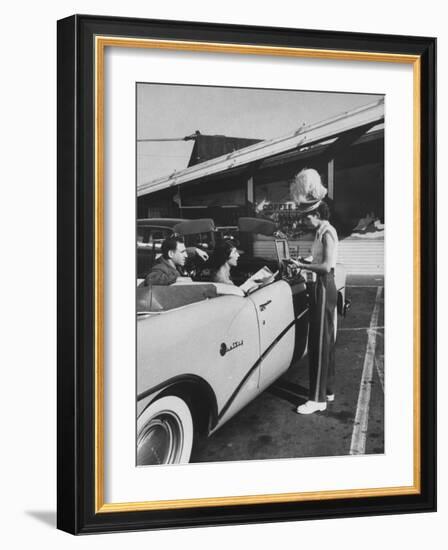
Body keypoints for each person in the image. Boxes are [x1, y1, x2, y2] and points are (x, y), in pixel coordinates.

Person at [290, 169, 339, 415]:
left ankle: (317, 399)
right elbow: (320, 258)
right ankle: (327, 390)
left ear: (317, 215)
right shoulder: (322, 232)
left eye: (307, 217)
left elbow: (326, 266)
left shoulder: (327, 232)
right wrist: (306, 258)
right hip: (324, 285)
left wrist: (301, 265)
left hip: (323, 284)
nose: (304, 221)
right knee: (326, 340)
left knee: (318, 341)